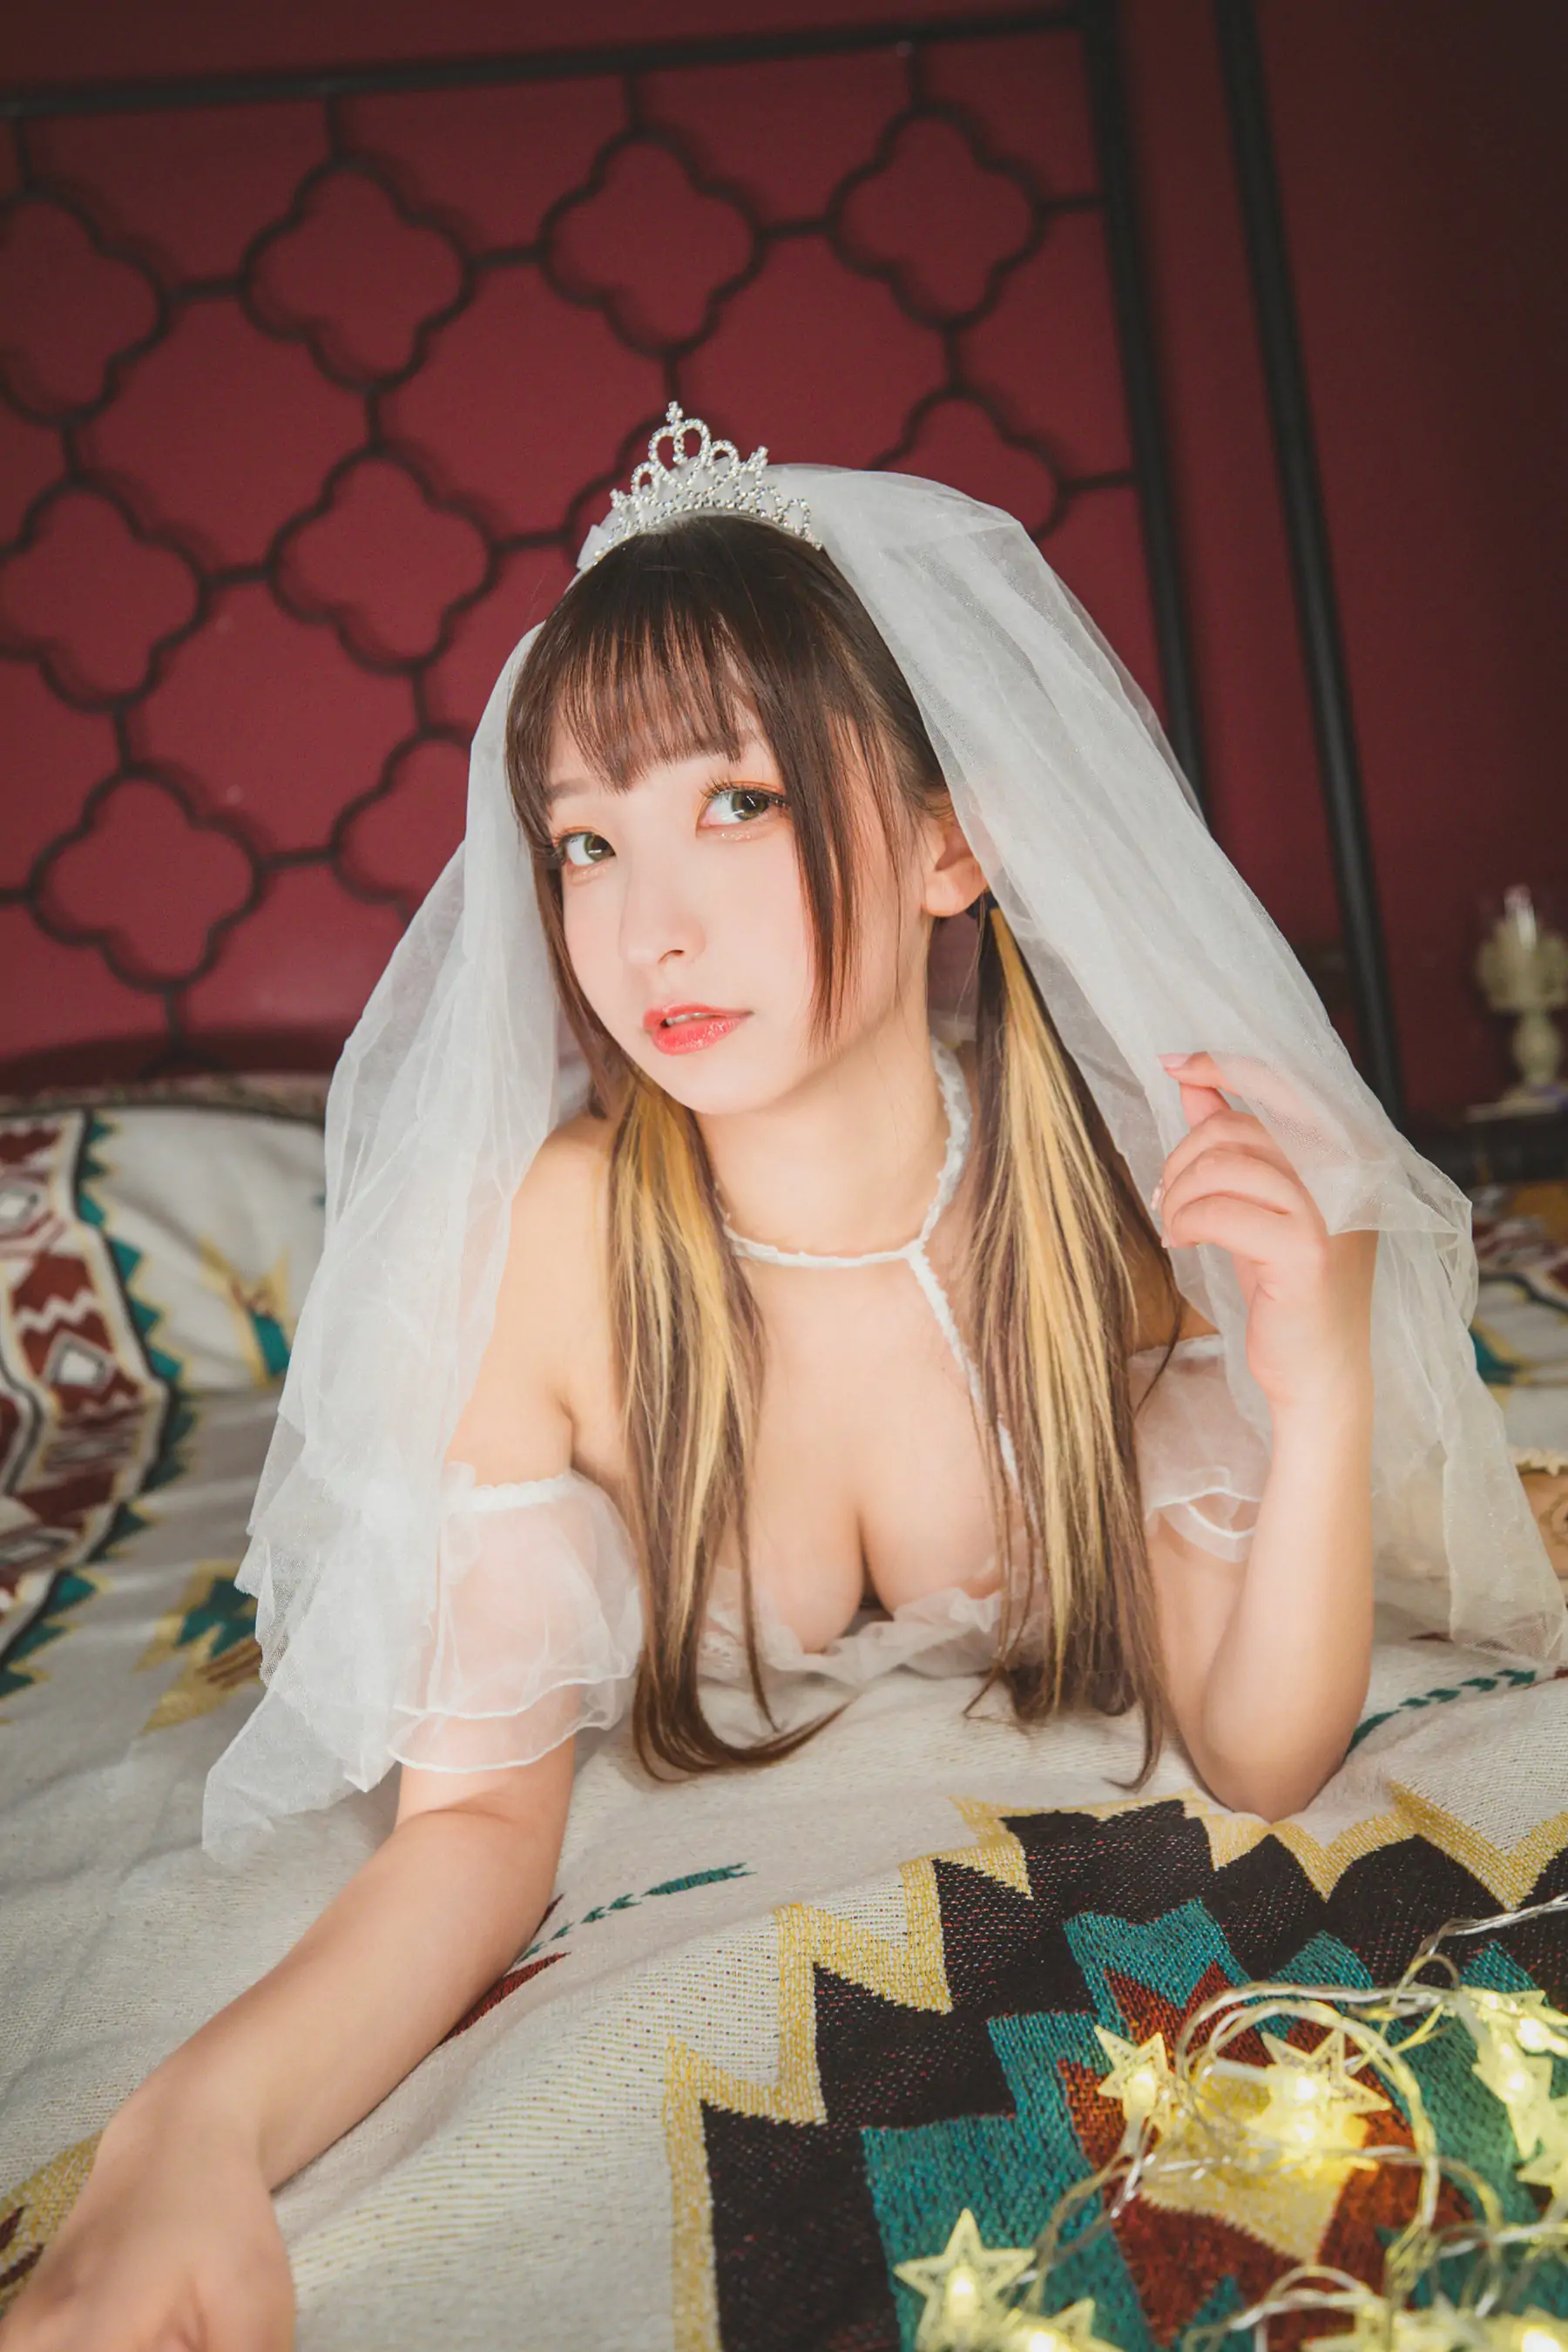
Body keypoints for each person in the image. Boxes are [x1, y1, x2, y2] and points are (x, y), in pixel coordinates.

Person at [5, 411, 1563, 2351]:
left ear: (946, 843)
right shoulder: (559, 1252)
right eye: (587, 841)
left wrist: (1316, 1388)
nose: (645, 924)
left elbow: (1260, 1753)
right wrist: (186, 2139)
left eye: (734, 801)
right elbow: (474, 1836)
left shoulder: (1081, 1210)